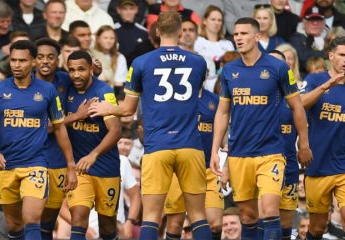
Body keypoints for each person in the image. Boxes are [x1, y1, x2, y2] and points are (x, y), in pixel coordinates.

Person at [88, 11, 212, 240]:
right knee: (198, 215)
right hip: (191, 146)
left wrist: (107, 107)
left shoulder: (142, 62)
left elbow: (127, 109)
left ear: (156, 32)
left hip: (158, 146)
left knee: (152, 217)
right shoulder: (198, 62)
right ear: (181, 31)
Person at [210, 17, 312, 240]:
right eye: (236, 34)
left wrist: (303, 143)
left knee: (269, 210)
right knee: (247, 216)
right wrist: (216, 151)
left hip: (271, 152)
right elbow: (222, 112)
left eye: (244, 33)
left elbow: (297, 107)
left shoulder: (277, 67)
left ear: (257, 37)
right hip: (239, 154)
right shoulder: (229, 71)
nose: (238, 38)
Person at [0, 40, 77, 240]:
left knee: (32, 218)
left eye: (22, 61)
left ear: (33, 62)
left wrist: (70, 165)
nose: (16, 65)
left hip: (36, 164)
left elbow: (59, 128)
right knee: (15, 224)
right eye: (13, 60)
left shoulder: (47, 91)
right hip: (6, 165)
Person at [300, 36, 345, 239]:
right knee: (317, 227)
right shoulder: (314, 80)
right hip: (318, 164)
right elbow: (300, 103)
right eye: (342, 55)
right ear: (331, 56)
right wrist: (326, 86)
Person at [65, 50, 122, 240]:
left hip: (106, 167)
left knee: (107, 226)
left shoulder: (103, 91)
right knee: (79, 218)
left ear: (91, 69)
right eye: (71, 70)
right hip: (80, 169)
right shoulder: (66, 89)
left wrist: (94, 154)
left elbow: (115, 130)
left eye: (81, 69)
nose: (76, 75)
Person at [164, 87, 223, 240]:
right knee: (175, 224)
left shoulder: (214, 100)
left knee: (215, 223)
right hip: (179, 168)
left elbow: (222, 131)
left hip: (208, 168)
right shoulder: (172, 98)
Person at [33, 37, 77, 240]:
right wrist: (77, 116)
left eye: (50, 57)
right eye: (40, 57)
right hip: (32, 157)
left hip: (59, 157)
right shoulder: (25, 85)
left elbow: (86, 79)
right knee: (31, 216)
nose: (45, 61)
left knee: (49, 219)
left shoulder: (64, 79)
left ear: (58, 59)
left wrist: (97, 69)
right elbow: (42, 128)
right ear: (33, 60)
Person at [268, 49, 300, 240]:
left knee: (287, 226)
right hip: (261, 167)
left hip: (290, 168)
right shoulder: (253, 98)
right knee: (263, 220)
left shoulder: (295, 99)